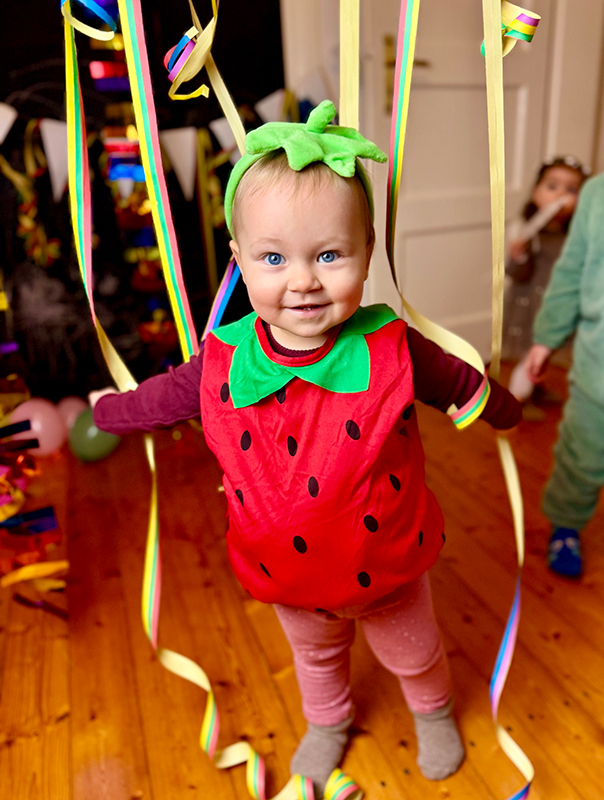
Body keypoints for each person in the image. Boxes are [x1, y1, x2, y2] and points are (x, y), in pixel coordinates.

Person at [93, 101, 521, 796]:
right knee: (315, 660)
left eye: (328, 255)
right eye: (273, 258)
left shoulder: (392, 347)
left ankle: (433, 708)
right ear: (239, 261)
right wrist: (107, 412)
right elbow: (158, 401)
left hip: (388, 564)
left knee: (414, 653)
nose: (303, 281)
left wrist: (507, 409)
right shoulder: (219, 360)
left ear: (367, 253)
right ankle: (327, 723)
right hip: (286, 576)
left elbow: (459, 382)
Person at [524, 170, 604, 579]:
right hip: (597, 367)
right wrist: (546, 338)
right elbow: (571, 272)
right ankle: (566, 525)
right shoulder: (595, 194)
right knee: (582, 452)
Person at [503, 156, 588, 407]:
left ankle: (536, 390)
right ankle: (517, 401)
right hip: (529, 306)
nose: (561, 194)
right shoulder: (527, 232)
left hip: (556, 307)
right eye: (552, 186)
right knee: (528, 356)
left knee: (544, 355)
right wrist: (518, 256)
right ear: (535, 191)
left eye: (571, 189)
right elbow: (516, 275)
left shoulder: (574, 235)